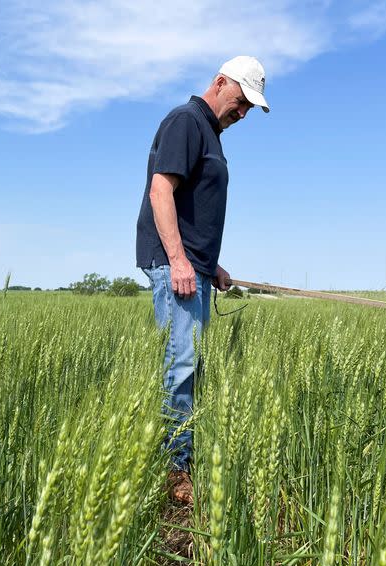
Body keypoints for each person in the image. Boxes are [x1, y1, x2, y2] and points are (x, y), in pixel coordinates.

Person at [135, 56, 270, 505]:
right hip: (179, 270)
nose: (244, 113)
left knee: (187, 367)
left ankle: (178, 457)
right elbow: (161, 191)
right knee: (181, 368)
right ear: (219, 83)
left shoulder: (209, 133)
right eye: (242, 101)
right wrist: (179, 260)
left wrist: (211, 264)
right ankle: (175, 471)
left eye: (251, 107)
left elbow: (195, 211)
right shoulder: (186, 122)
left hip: (195, 269)